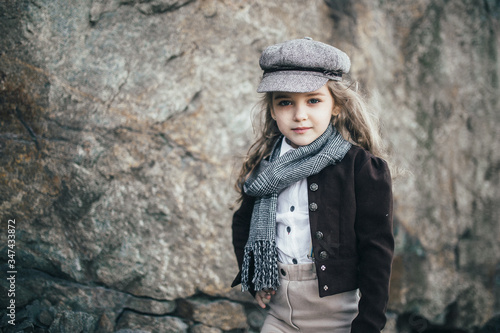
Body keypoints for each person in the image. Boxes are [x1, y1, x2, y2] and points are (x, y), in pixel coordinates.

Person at [231, 37, 394, 333]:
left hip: (340, 319)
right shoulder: (264, 169)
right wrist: (255, 276)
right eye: (285, 102)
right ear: (272, 109)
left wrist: (369, 324)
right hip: (280, 316)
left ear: (336, 106)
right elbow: (241, 223)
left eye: (313, 100)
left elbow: (377, 250)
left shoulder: (360, 167)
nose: (300, 114)